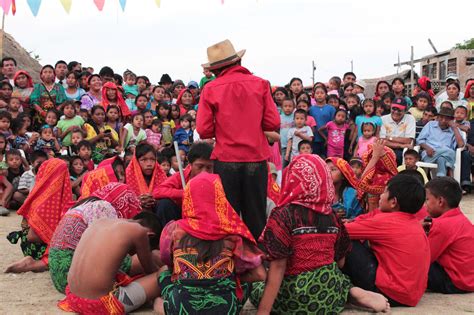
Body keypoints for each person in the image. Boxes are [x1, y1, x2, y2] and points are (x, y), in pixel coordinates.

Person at [250, 154, 389, 314]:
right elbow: (341, 262)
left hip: (297, 297)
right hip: (329, 292)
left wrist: (263, 312)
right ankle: (349, 291)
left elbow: (278, 267)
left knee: (255, 286)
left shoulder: (283, 215)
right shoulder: (332, 215)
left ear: (292, 179)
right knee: (334, 275)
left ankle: (347, 292)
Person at [196, 39, 280, 240]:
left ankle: (232, 263)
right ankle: (258, 263)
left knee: (229, 218)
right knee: (256, 218)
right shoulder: (260, 84)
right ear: (238, 62)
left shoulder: (211, 89)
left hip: (227, 161)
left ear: (216, 70)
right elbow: (272, 122)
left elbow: (203, 130)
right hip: (255, 159)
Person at [156, 172, 266, 314]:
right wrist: (229, 275)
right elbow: (260, 275)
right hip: (226, 308)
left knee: (162, 274)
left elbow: (167, 261)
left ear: (188, 198)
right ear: (220, 198)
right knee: (241, 283)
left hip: (182, 307)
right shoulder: (232, 234)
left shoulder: (173, 230)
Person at [343, 174, 430, 307]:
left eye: (384, 192)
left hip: (389, 293)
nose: (380, 196)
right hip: (411, 295)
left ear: (393, 202)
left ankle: (342, 286)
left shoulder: (386, 221)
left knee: (343, 240)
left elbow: (338, 231)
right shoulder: (413, 222)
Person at [58, 212, 162, 314]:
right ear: (150, 236)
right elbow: (150, 270)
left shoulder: (100, 222)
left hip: (73, 298)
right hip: (101, 304)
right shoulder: (139, 231)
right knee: (164, 274)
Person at [49, 183, 142, 293]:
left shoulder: (82, 205)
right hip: (74, 276)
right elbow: (105, 247)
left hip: (59, 276)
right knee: (141, 260)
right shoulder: (102, 207)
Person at [5, 159, 73, 273]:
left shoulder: (39, 194)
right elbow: (32, 237)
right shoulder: (48, 201)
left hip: (30, 246)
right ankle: (34, 264)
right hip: (36, 248)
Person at [424, 177, 474, 293]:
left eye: (427, 200)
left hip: (454, 282)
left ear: (440, 201)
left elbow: (426, 257)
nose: (425, 204)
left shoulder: (441, 225)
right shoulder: (461, 218)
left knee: (409, 261)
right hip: (469, 279)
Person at [154, 142, 214, 226]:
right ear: (190, 164)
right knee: (164, 204)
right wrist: (185, 193)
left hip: (205, 219)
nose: (204, 172)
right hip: (182, 217)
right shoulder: (180, 176)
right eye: (199, 167)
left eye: (209, 167)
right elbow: (158, 191)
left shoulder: (216, 180)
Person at [417, 107, 464, 177]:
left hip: (445, 157)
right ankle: (449, 168)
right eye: (441, 117)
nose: (443, 120)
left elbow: (461, 145)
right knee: (450, 152)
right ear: (437, 117)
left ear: (452, 120)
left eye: (447, 119)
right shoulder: (430, 124)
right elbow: (419, 140)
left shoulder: (454, 129)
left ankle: (441, 177)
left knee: (442, 158)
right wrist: (427, 148)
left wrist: (454, 128)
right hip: (430, 154)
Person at [358, 140, 398, 212]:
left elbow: (362, 183)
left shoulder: (389, 180)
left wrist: (375, 156)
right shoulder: (371, 177)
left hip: (382, 219)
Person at [126, 143, 166, 211]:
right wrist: (137, 201)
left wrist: (154, 201)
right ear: (136, 161)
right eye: (144, 160)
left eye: (152, 159)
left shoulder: (161, 176)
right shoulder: (127, 177)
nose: (149, 164)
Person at [380, 97, 416, 165]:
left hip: (402, 150)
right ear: (390, 108)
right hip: (386, 148)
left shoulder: (410, 118)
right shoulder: (383, 119)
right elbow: (382, 141)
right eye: (394, 108)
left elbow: (408, 140)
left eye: (399, 110)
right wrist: (400, 145)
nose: (396, 112)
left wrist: (389, 138)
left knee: (397, 156)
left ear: (405, 111)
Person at [309, 84, 336, 157]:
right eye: (317, 93)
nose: (319, 95)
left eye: (322, 93)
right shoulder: (311, 109)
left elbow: (334, 124)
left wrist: (329, 138)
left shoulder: (331, 109)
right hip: (315, 139)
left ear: (326, 95)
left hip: (328, 139)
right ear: (314, 96)